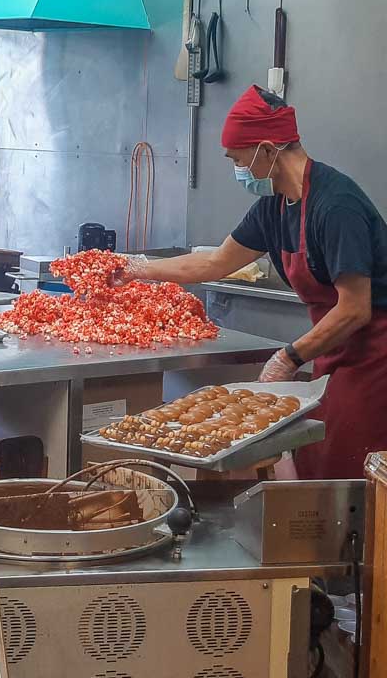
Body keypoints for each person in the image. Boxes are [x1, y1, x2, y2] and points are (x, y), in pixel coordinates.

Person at [120, 84, 387, 479]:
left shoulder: (336, 206)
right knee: (317, 452)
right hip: (333, 349)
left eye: (237, 158)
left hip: (376, 355)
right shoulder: (273, 208)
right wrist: (135, 268)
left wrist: (288, 358)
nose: (237, 169)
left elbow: (354, 308)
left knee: (351, 462)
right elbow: (214, 263)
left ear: (266, 149)